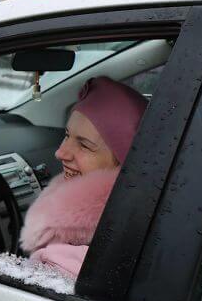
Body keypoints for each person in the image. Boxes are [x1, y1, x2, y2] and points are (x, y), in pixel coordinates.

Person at [19, 76, 147, 278]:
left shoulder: (62, 263)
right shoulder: (134, 217)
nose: (60, 153)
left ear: (123, 163)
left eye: (85, 145)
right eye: (67, 135)